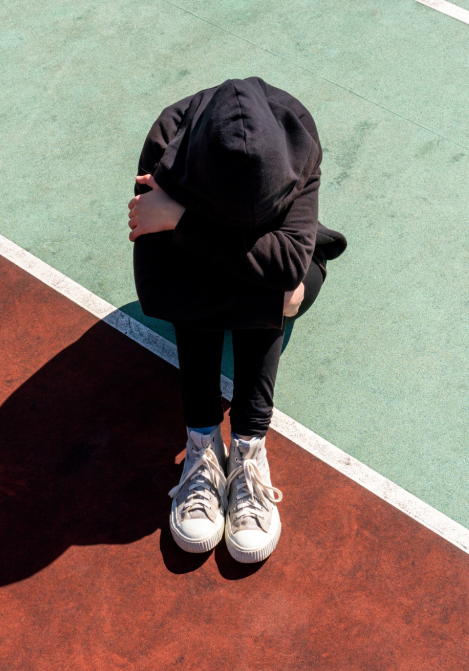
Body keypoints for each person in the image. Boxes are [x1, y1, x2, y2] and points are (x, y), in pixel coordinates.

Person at [127, 77, 346, 563]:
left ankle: (249, 442)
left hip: (284, 263)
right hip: (259, 272)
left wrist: (181, 221)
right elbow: (159, 291)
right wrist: (266, 296)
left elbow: (288, 268)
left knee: (281, 290)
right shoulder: (167, 145)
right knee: (264, 293)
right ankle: (202, 437)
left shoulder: (298, 135)